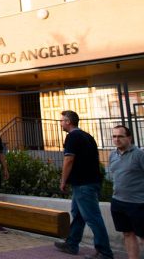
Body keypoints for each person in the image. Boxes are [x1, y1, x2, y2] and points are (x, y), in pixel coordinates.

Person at [54, 110, 114, 259]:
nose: (60, 123)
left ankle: (105, 252)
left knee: (92, 218)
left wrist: (63, 181)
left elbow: (69, 160)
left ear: (68, 122)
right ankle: (72, 243)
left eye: (62, 121)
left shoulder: (72, 137)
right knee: (79, 214)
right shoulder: (87, 136)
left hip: (83, 184)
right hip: (91, 181)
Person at [107, 125, 144, 259]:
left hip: (138, 203)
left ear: (129, 138)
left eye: (120, 136)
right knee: (127, 234)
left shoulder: (139, 154)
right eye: (114, 136)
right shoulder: (112, 154)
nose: (117, 139)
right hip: (118, 202)